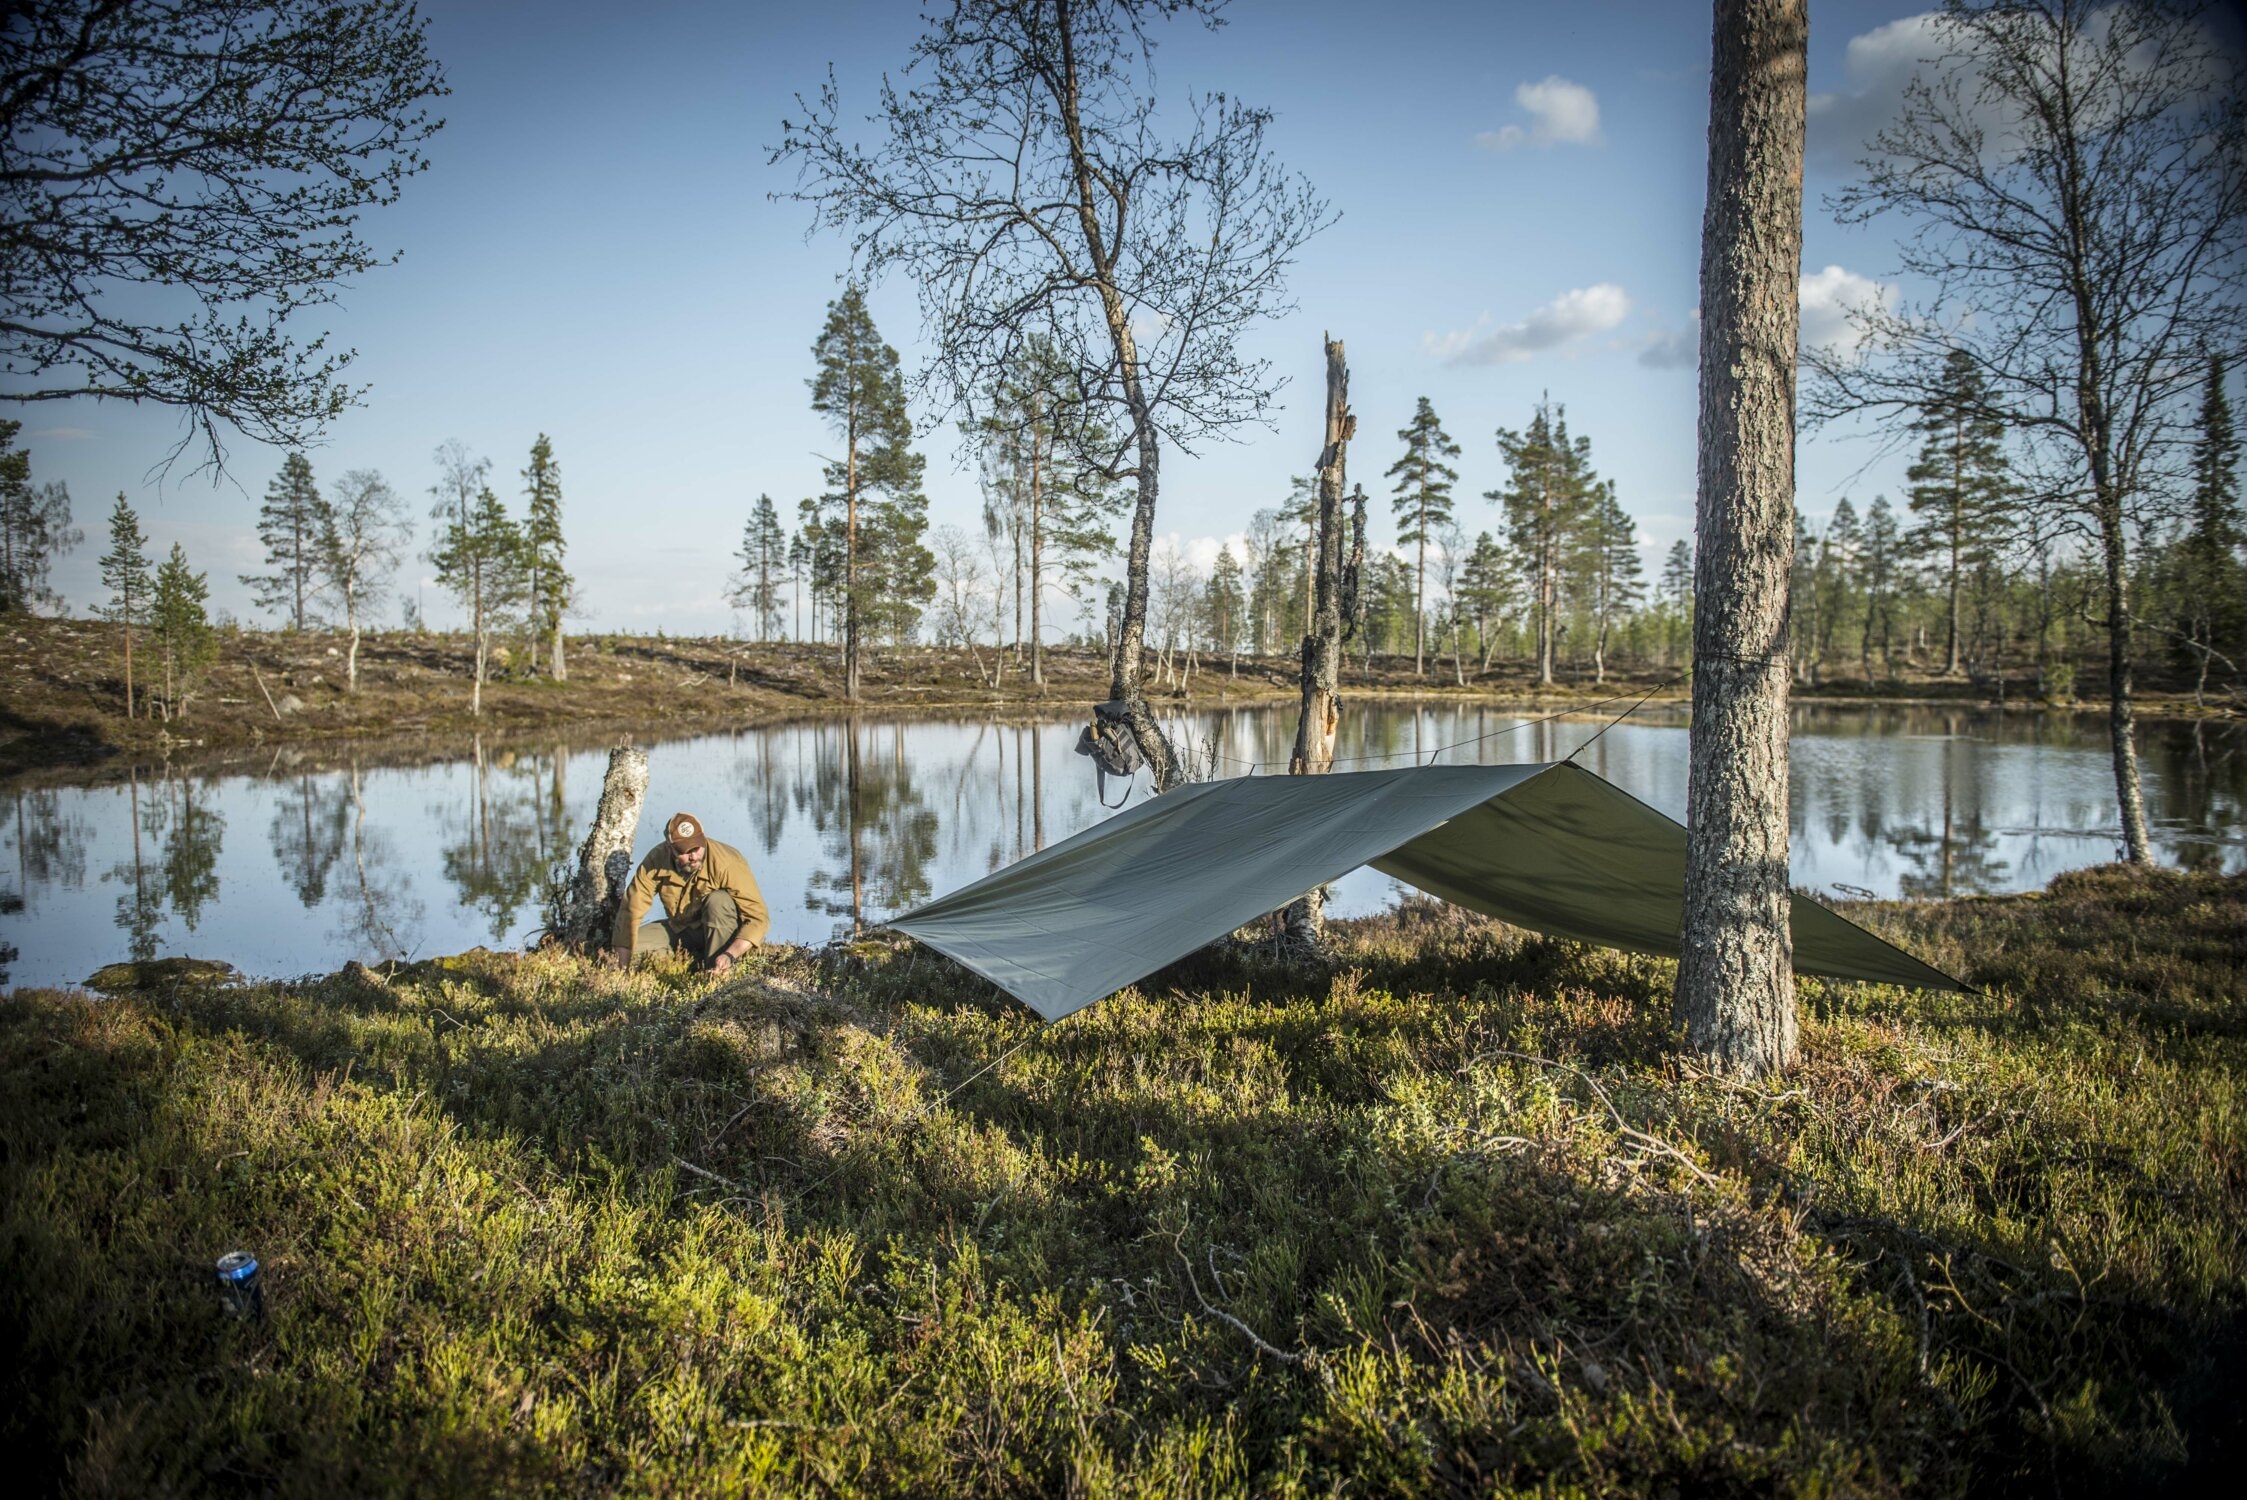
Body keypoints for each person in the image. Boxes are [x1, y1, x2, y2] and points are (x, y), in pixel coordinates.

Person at [608, 812, 770, 972]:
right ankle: (692, 961)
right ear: (670, 848)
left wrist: (730, 954)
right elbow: (630, 912)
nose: (693, 856)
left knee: (718, 901)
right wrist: (622, 970)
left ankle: (717, 969)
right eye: (685, 851)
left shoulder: (728, 862)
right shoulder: (656, 860)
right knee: (629, 947)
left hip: (725, 932)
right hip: (682, 928)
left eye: (697, 847)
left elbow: (758, 918)